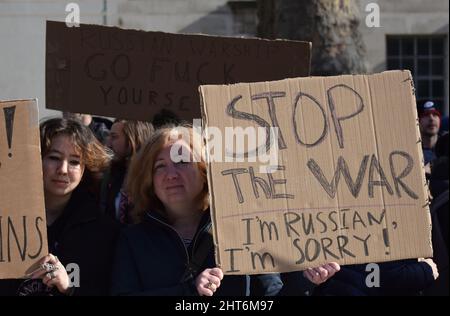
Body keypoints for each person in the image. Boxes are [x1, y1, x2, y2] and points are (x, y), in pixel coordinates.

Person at [110, 125, 339, 296]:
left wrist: (306, 282)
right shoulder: (133, 240)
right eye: (160, 166)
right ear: (148, 179)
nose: (171, 174)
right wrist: (188, 292)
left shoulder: (244, 230)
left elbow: (270, 296)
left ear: (205, 170)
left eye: (182, 161)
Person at [0, 118, 120, 296]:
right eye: (54, 158)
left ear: (85, 168)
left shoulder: (103, 231)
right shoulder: (6, 217)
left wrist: (69, 288)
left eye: (74, 162)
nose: (63, 169)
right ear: (35, 159)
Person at [100, 119, 154, 224]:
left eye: (114, 137)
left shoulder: (153, 178)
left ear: (133, 139)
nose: (108, 144)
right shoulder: (113, 172)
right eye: (109, 136)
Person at [418, 101, 441, 175]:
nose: (431, 119)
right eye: (426, 115)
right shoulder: (413, 150)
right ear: (417, 121)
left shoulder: (446, 148)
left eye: (435, 114)